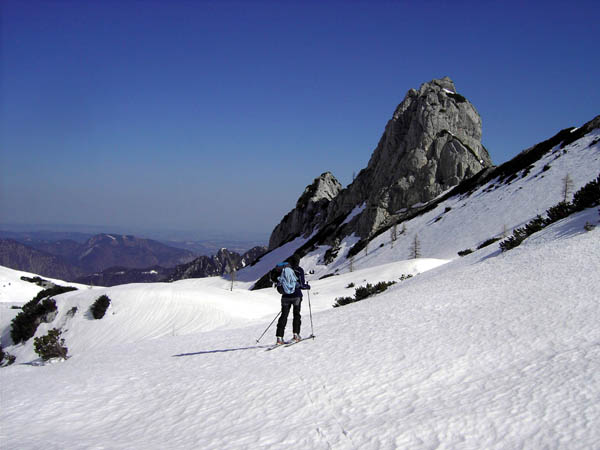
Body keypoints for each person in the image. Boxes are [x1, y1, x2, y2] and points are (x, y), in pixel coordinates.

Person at [274, 255, 309, 345]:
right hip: (296, 296)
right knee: (296, 315)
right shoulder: (299, 270)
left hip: (285, 297)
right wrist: (307, 287)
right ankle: (296, 335)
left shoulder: (283, 270)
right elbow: (301, 284)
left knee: (283, 316)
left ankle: (279, 337)